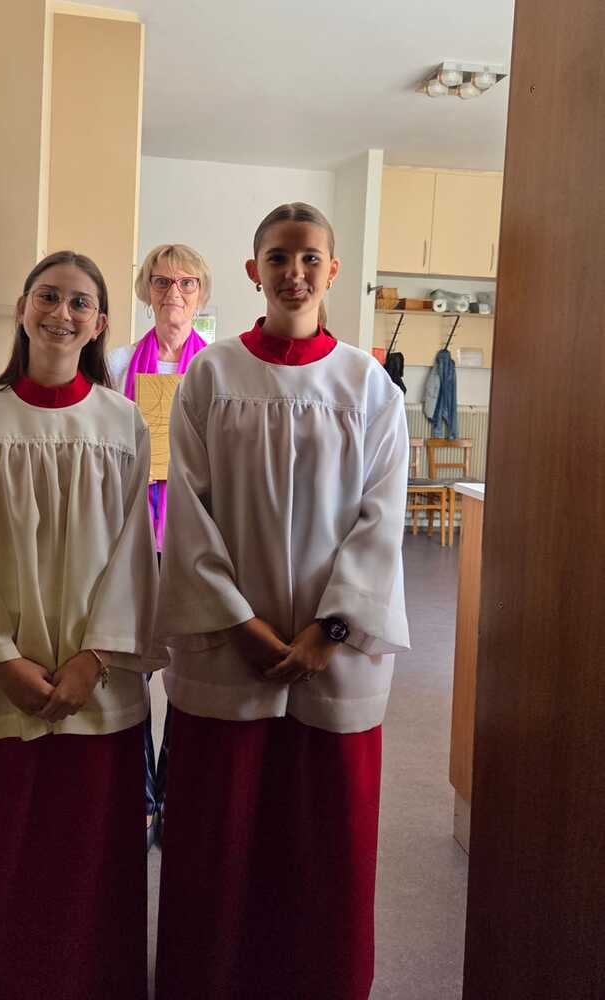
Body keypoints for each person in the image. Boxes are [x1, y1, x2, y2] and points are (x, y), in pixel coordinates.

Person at [154, 204, 410, 1000]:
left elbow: (382, 518)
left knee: (323, 844)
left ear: (332, 271)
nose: (293, 272)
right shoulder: (213, 375)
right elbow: (188, 510)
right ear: (253, 270)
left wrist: (329, 631)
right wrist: (241, 623)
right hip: (231, 649)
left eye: (308, 258)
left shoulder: (367, 385)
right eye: (277, 257)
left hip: (333, 654)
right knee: (219, 841)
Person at [0, 251, 161, 1000]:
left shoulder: (122, 423)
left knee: (84, 868)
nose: (62, 313)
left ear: (100, 323)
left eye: (80, 303)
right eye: (48, 297)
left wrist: (96, 658)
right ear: (22, 309)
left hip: (96, 686)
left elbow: (135, 552)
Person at [107, 243, 211, 845]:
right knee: (133, 665)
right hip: (133, 531)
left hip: (193, 534)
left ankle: (174, 787)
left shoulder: (215, 366)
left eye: (187, 283)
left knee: (191, 668)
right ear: (146, 289)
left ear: (202, 293)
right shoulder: (119, 362)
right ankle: (143, 794)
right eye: (163, 281)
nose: (174, 293)